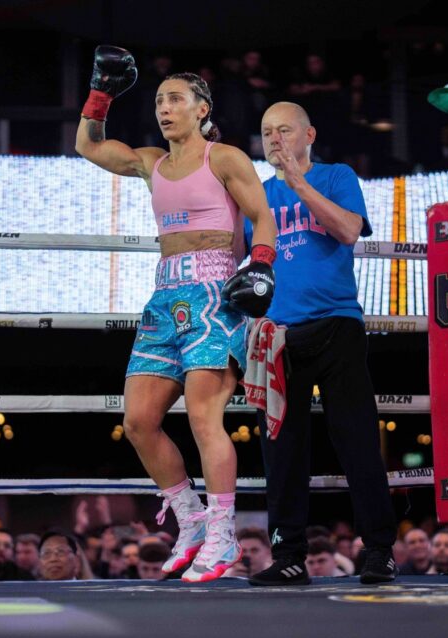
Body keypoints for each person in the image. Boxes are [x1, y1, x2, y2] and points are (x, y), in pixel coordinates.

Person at [75, 45, 279, 583]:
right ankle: (190, 520)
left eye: (175, 100)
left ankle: (223, 534)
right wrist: (101, 94)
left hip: (215, 292)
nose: (164, 109)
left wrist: (261, 264)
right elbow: (88, 146)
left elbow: (262, 216)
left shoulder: (225, 158)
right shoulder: (152, 163)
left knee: (203, 417)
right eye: (159, 101)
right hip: (165, 295)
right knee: (138, 422)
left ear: (201, 108)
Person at [241, 101, 397, 586]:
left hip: (336, 325)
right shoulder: (256, 195)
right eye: (267, 131)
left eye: (284, 130)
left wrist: (299, 184)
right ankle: (288, 555)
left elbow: (349, 230)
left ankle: (379, 550)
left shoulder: (335, 176)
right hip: (278, 335)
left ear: (309, 135)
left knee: (357, 440)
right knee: (281, 452)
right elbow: (236, 257)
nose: (275, 139)